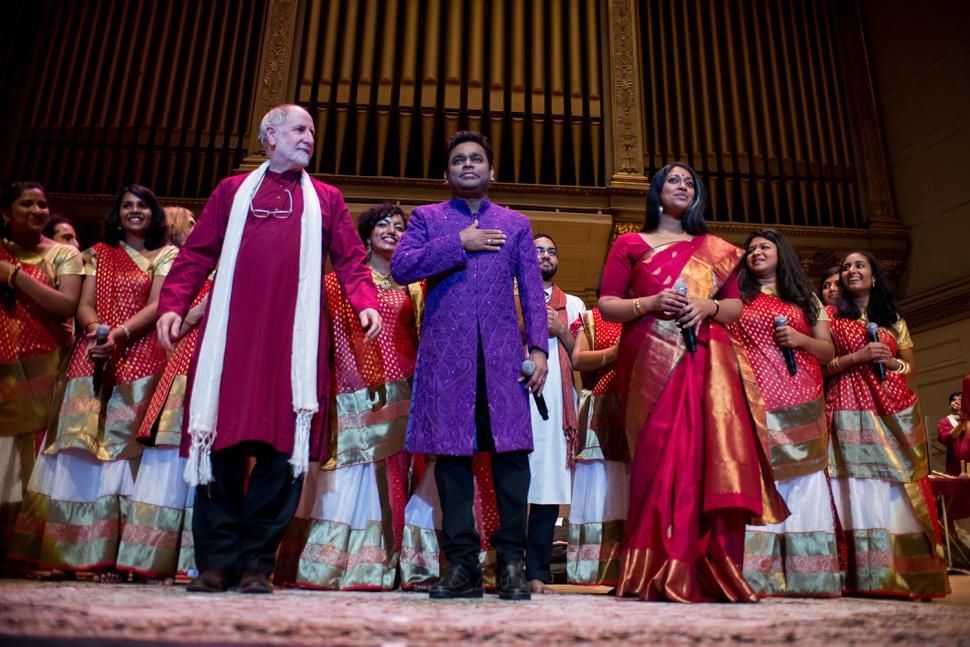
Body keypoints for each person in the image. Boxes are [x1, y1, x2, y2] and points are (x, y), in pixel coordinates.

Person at [155, 104, 380, 594]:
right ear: (270, 136)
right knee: (220, 448)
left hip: (293, 347)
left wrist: (365, 301)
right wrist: (173, 303)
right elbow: (196, 254)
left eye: (312, 132)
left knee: (281, 456)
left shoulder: (327, 198)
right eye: (300, 130)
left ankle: (257, 563)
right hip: (231, 341)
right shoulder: (232, 192)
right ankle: (216, 563)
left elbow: (351, 259)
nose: (309, 138)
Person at [598, 161, 785, 603]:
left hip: (707, 362)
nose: (682, 186)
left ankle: (707, 563)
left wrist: (708, 308)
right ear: (657, 192)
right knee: (656, 456)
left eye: (689, 182)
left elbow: (735, 308)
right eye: (673, 180)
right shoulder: (630, 243)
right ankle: (650, 564)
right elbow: (607, 305)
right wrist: (648, 302)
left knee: (707, 454)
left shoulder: (715, 248)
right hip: (649, 361)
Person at [390, 130, 548, 601]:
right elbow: (401, 267)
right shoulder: (426, 218)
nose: (468, 165)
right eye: (458, 160)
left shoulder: (516, 224)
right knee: (452, 460)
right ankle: (461, 566)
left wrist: (537, 349)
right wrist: (460, 241)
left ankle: (513, 565)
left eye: (476, 158)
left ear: (491, 170)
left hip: (502, 360)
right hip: (446, 359)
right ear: (447, 173)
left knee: (511, 457)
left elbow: (532, 293)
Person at [11, 185, 176, 580]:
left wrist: (118, 335)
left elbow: (158, 305)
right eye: (126, 206)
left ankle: (111, 556)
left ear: (154, 214)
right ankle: (65, 553)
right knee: (77, 449)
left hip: (140, 356)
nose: (134, 212)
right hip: (94, 353)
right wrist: (96, 333)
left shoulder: (166, 256)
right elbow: (84, 304)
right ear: (117, 215)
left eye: (142, 206)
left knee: (122, 453)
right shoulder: (96, 255)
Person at [275, 203, 418, 590]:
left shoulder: (412, 287)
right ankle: (326, 565)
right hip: (346, 390)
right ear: (366, 236)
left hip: (400, 391)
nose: (392, 230)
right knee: (342, 473)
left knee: (387, 476)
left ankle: (375, 566)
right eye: (383, 225)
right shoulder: (336, 283)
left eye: (400, 226)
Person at [825, 250, 949, 598]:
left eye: (859, 265)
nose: (851, 270)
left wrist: (891, 362)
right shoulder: (831, 317)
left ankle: (906, 575)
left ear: (874, 276)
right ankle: (864, 576)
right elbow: (822, 366)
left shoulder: (893, 318)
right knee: (859, 487)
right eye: (846, 267)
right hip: (849, 406)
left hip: (891, 409)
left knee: (895, 487)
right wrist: (857, 358)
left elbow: (911, 370)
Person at [728, 229, 840, 597]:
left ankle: (811, 578)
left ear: (782, 253)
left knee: (806, 484)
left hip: (803, 397)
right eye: (751, 249)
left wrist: (800, 340)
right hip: (756, 400)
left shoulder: (806, 300)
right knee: (763, 483)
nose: (756, 252)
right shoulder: (737, 298)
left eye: (765, 246)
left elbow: (826, 351)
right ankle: (759, 577)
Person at [115, 207, 207, 583]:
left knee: (199, 458)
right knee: (168, 454)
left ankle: (189, 558)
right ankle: (150, 556)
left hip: (210, 365)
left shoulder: (209, 267)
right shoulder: (185, 273)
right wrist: (202, 308)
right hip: (183, 363)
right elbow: (174, 325)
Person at [0, 182, 83, 562]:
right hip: (4, 366)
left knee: (33, 457)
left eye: (43, 204)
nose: (37, 210)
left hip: (44, 365)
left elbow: (66, 305)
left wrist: (13, 276)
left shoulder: (63, 254)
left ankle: (26, 549)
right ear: (6, 212)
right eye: (26, 204)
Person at [525, 234, 584, 592]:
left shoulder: (574, 304)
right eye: (537, 250)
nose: (545, 255)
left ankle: (536, 571)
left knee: (547, 486)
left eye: (551, 250)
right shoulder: (512, 296)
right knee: (514, 484)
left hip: (557, 405)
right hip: (516, 398)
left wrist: (561, 330)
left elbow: (583, 354)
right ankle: (506, 564)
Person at [566, 304, 628, 586]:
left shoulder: (652, 315)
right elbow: (577, 359)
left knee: (630, 485)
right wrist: (615, 353)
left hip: (637, 406)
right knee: (599, 484)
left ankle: (632, 566)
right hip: (598, 407)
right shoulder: (593, 317)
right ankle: (593, 569)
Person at [938, 390, 969, 476]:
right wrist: (963, 417)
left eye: (960, 399)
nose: (956, 401)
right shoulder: (945, 422)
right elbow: (946, 440)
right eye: (953, 400)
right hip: (955, 469)